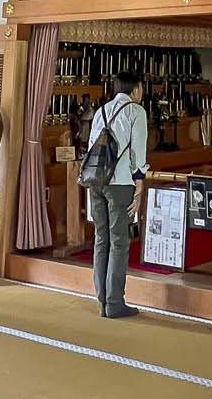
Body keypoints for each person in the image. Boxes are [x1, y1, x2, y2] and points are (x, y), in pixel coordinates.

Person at [87, 68, 149, 319]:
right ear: (134, 89)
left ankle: (101, 298)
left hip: (96, 181)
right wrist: (140, 182)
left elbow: (91, 144)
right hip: (120, 183)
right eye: (141, 88)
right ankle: (115, 302)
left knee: (101, 238)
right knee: (119, 241)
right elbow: (138, 153)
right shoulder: (136, 111)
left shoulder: (100, 111)